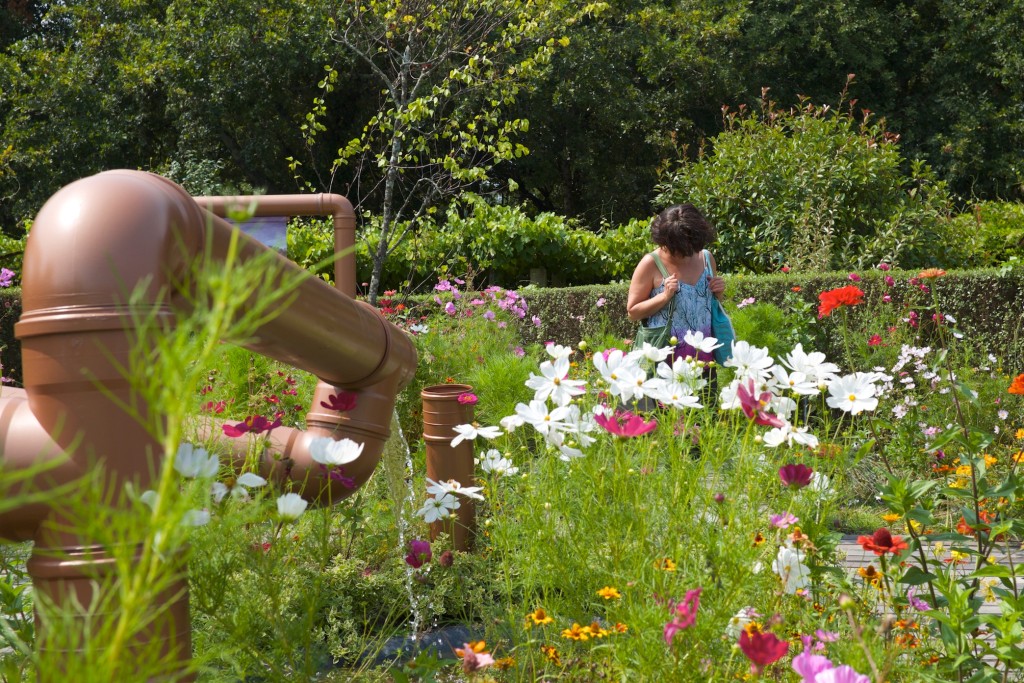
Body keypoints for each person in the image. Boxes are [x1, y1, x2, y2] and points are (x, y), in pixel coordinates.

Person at [626, 203, 725, 364]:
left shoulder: (706, 258)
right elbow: (633, 312)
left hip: (703, 360)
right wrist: (664, 297)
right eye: (674, 247)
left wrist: (718, 293)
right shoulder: (650, 263)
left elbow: (706, 307)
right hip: (664, 361)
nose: (680, 253)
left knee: (707, 391)